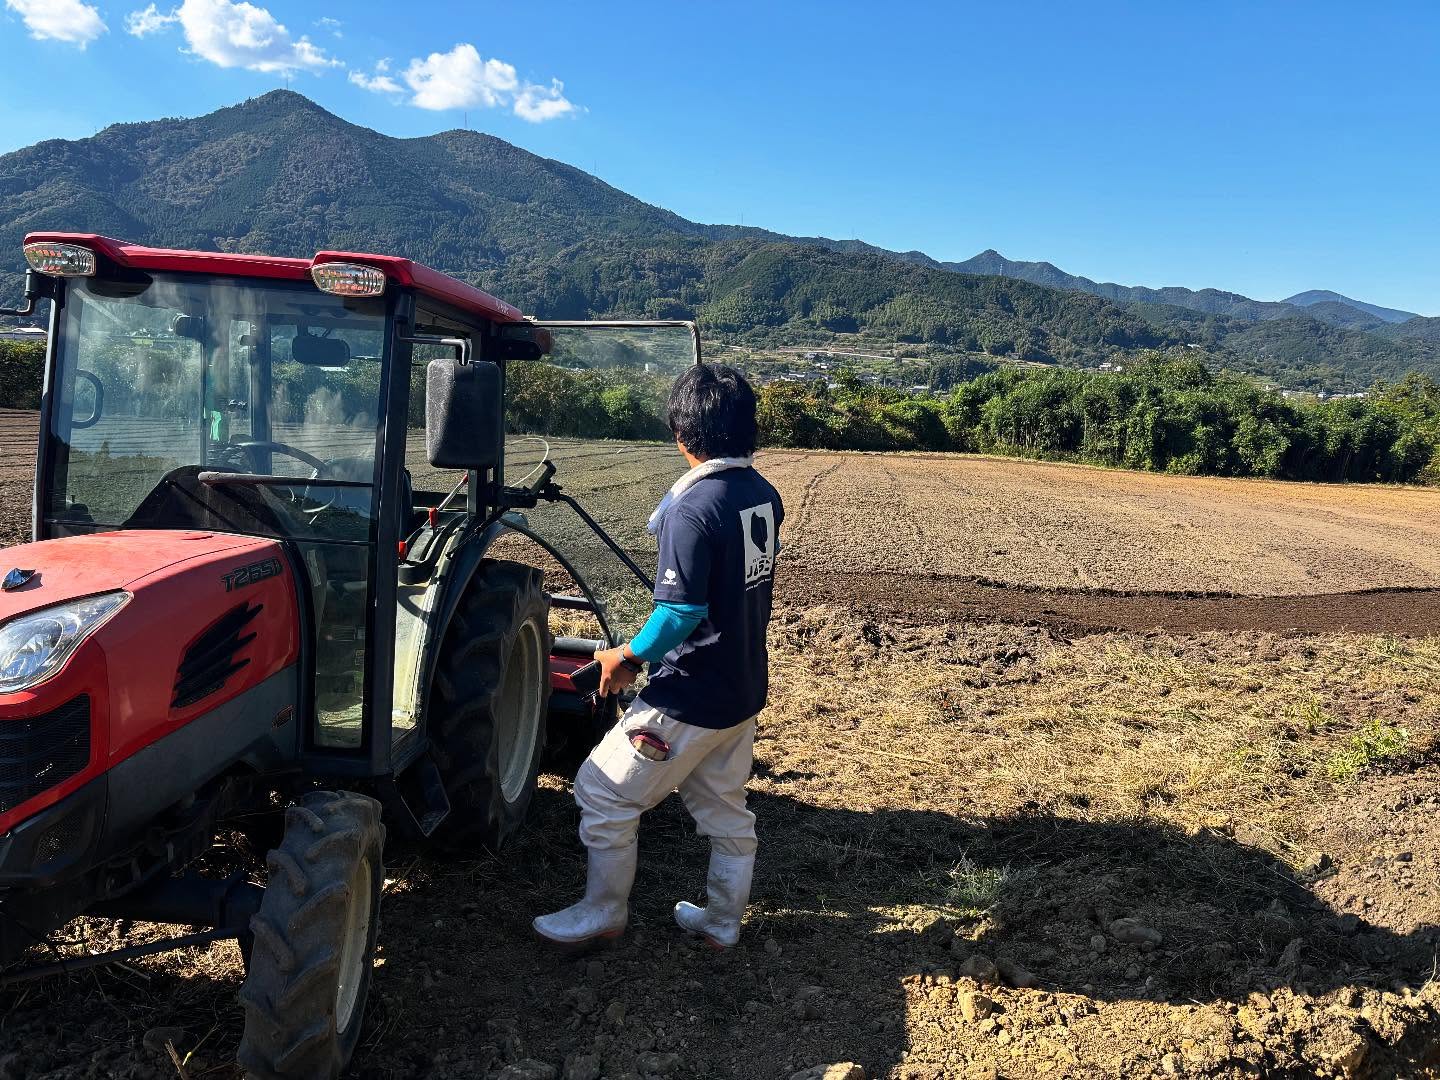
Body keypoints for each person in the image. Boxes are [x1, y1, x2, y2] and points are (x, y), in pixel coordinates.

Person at [533, 363, 783, 949]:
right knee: (726, 811)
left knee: (602, 792)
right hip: (741, 686)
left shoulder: (693, 508)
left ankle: (604, 911)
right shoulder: (761, 494)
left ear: (682, 435)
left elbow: (679, 614)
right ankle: (721, 922)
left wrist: (627, 655)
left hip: (690, 692)